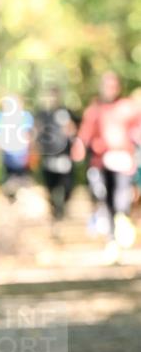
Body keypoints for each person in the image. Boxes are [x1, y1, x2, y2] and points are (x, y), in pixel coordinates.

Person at [72, 71, 141, 261]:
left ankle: (122, 220)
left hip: (123, 160)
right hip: (101, 160)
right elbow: (85, 133)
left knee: (122, 196)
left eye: (113, 85)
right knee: (105, 199)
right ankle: (112, 240)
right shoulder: (95, 110)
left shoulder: (128, 107)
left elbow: (137, 129)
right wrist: (79, 147)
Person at [33, 86, 79, 229]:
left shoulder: (66, 113)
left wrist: (71, 132)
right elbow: (36, 133)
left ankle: (61, 208)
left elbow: (75, 131)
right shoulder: (42, 115)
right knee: (50, 188)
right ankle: (55, 212)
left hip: (64, 158)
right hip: (48, 158)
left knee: (67, 187)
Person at [0, 94, 34, 200]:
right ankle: (12, 200)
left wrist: (31, 144)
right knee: (9, 188)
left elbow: (32, 134)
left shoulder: (26, 117)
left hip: (23, 159)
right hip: (7, 158)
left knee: (24, 185)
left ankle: (21, 200)